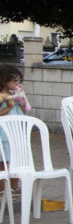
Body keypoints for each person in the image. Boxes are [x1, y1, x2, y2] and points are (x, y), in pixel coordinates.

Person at [0, 65, 25, 194]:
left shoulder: (13, 95)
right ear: (4, 80)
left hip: (16, 133)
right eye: (14, 81)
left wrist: (23, 100)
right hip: (3, 135)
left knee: (15, 161)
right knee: (3, 162)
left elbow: (23, 112)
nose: (17, 84)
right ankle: (2, 190)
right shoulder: (2, 96)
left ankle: (15, 187)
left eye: (18, 81)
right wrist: (8, 107)